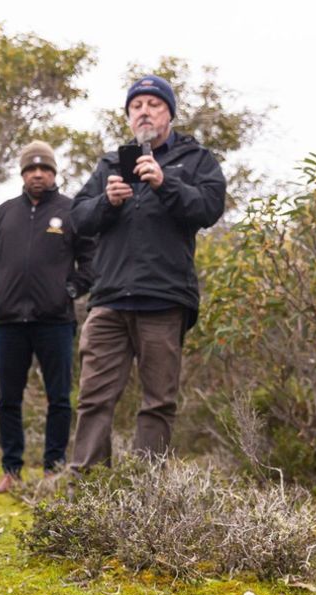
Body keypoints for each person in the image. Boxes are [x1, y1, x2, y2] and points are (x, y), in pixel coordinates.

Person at [70, 75, 227, 467]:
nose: (144, 111)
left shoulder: (196, 160)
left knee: (158, 401)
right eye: (136, 106)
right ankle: (86, 489)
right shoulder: (110, 163)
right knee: (93, 398)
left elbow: (209, 208)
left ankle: (147, 493)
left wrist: (164, 182)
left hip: (164, 297)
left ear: (169, 114)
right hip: (108, 299)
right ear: (127, 117)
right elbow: (77, 218)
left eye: (154, 104)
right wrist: (106, 202)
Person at [0, 141, 95, 494]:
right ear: (23, 174)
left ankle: (53, 469)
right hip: (9, 321)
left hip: (55, 320)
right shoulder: (4, 213)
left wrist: (70, 291)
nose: (37, 174)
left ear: (54, 173)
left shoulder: (72, 211)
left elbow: (91, 261)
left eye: (44, 168)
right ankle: (11, 471)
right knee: (8, 399)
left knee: (59, 397)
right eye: (30, 169)